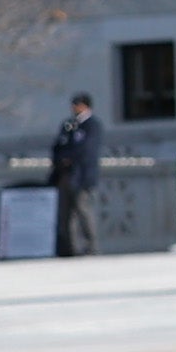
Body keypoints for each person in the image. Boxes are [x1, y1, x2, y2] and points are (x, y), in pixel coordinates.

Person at [46, 90, 104, 256]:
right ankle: (69, 247)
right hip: (65, 175)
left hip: (81, 175)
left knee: (83, 210)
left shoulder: (92, 125)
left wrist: (70, 158)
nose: (74, 108)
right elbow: (59, 145)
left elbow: (86, 150)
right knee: (65, 213)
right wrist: (61, 160)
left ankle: (91, 245)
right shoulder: (69, 125)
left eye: (77, 104)